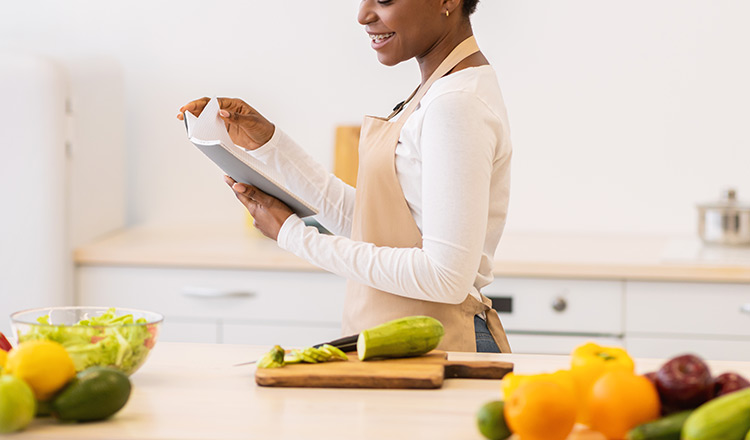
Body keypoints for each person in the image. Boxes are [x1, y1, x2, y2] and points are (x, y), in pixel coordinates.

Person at [177, 0, 512, 353]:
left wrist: (292, 235)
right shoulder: (439, 92)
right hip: (411, 345)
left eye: (383, 0)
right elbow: (372, 225)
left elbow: (446, 278)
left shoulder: (456, 103)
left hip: (445, 349)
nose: (363, 15)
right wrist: (270, 146)